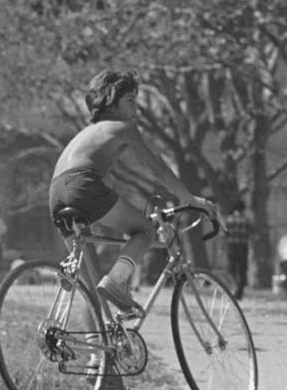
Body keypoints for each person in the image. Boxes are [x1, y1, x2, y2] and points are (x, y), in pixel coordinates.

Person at [48, 69, 218, 319]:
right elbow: (158, 167)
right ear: (110, 101)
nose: (135, 109)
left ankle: (97, 355)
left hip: (56, 194)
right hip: (82, 185)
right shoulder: (122, 127)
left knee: (91, 286)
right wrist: (192, 199)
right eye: (130, 101)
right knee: (145, 230)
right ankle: (117, 282)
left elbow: (107, 183)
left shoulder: (85, 135)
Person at [224, 199, 253, 300]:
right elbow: (252, 233)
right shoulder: (246, 220)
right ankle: (239, 293)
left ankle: (234, 286)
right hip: (243, 247)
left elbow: (224, 233)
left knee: (232, 269)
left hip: (231, 247)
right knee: (242, 271)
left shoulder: (229, 219)